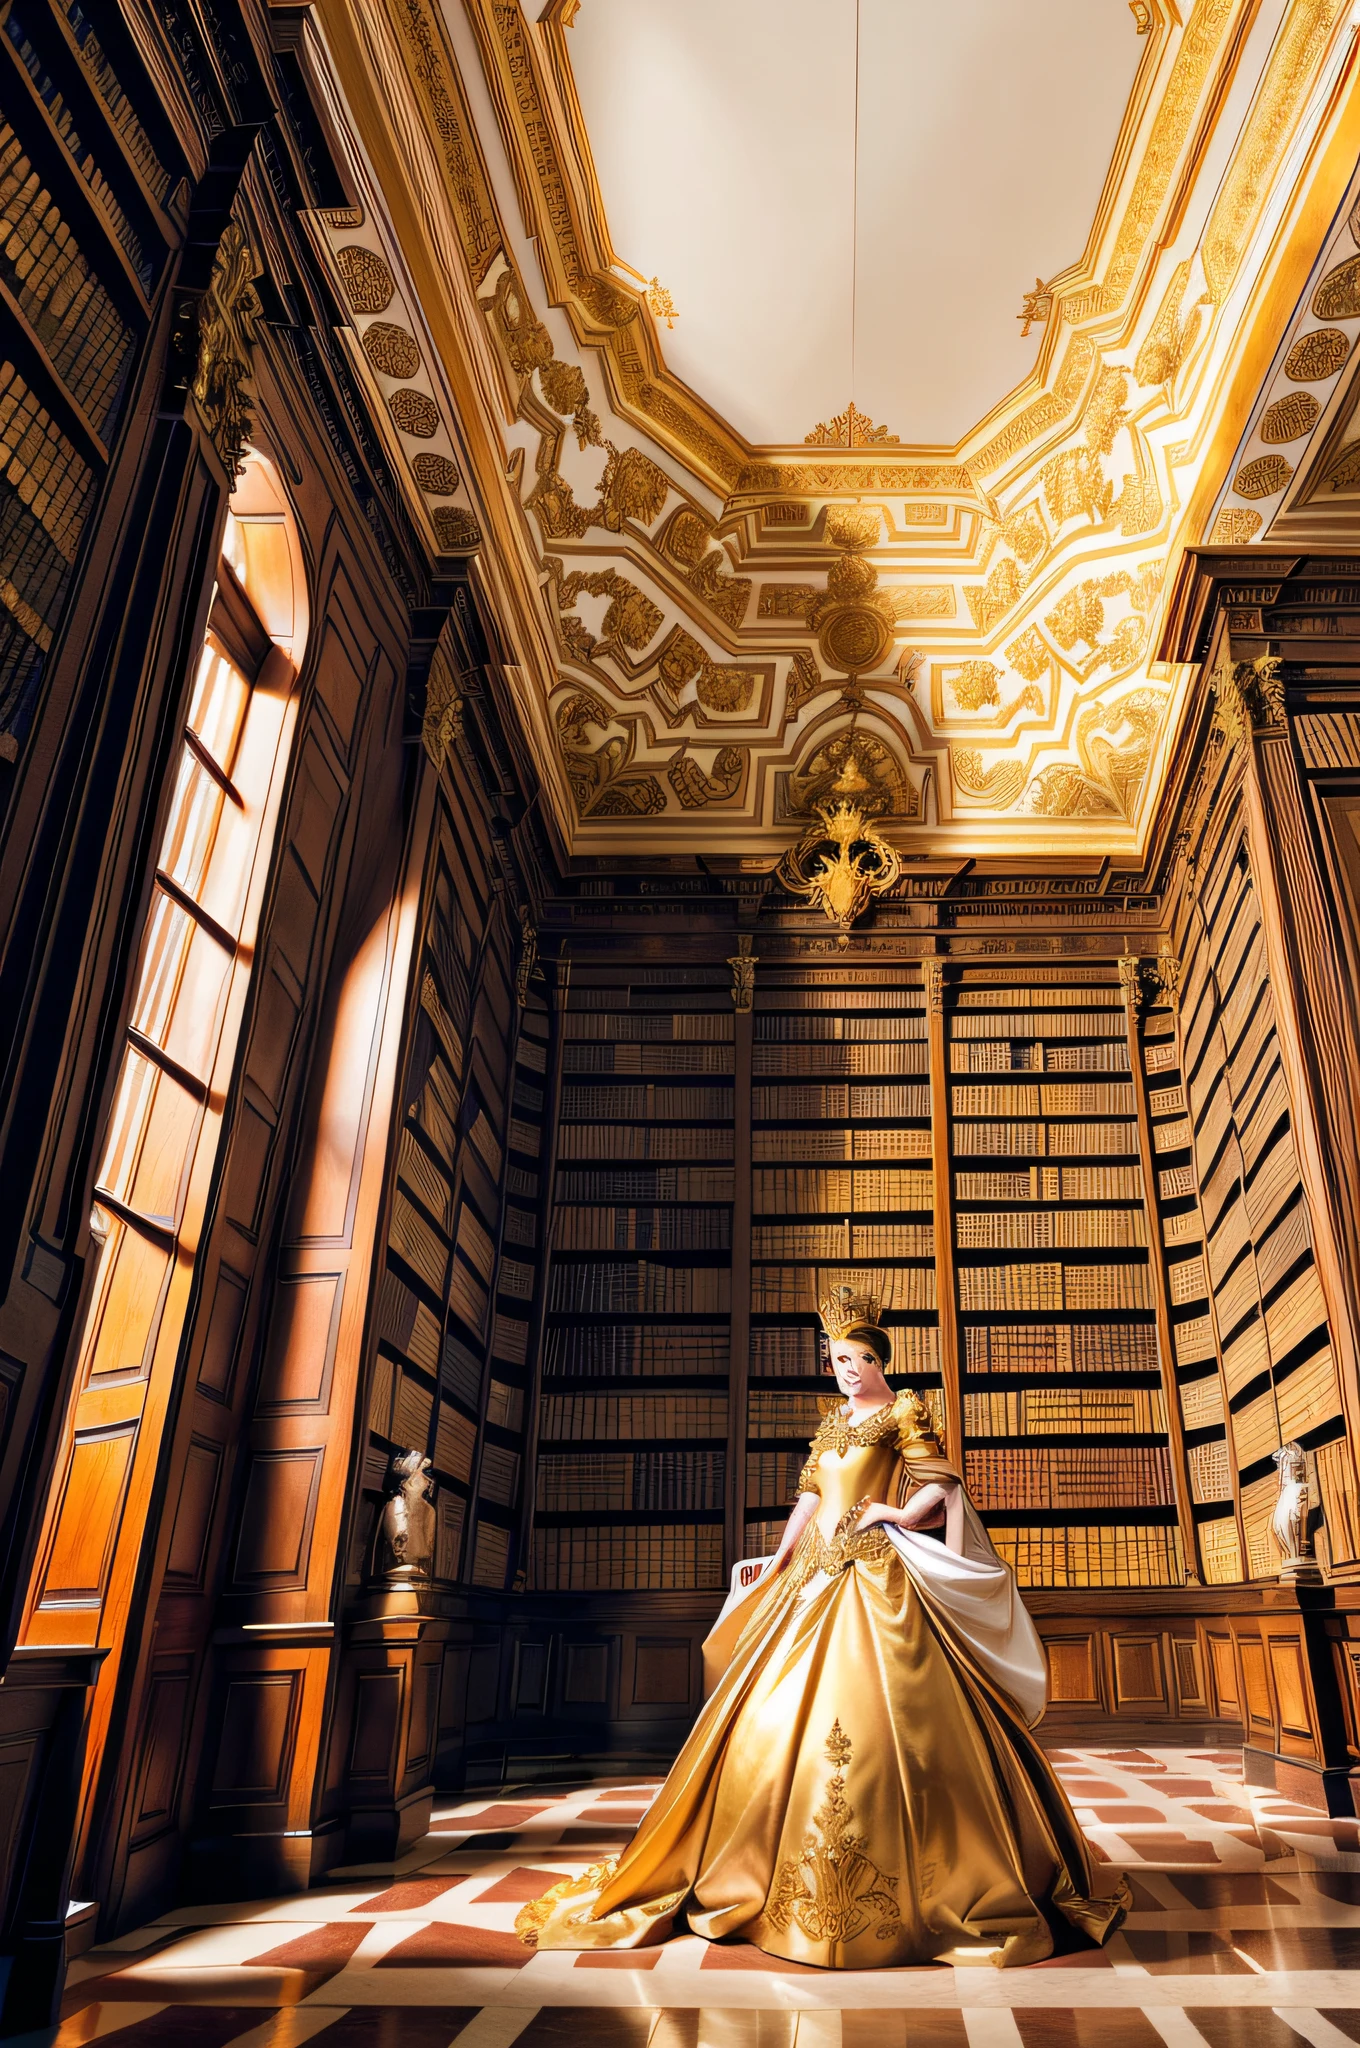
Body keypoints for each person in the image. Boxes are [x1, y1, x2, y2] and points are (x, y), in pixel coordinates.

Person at [518, 1288, 1129, 1969]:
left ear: (875, 1358)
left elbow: (941, 1485)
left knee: (912, 1709)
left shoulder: (903, 1410)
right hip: (814, 1572)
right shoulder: (834, 1420)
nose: (842, 1371)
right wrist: (776, 1561)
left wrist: (894, 1517)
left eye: (853, 1359)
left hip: (877, 1571)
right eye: (835, 1360)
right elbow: (811, 1496)